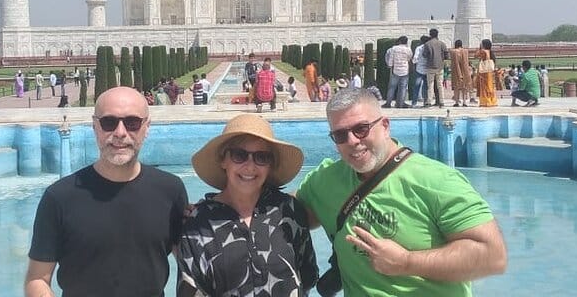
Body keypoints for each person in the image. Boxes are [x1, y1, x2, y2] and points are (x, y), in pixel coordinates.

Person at [296, 88, 507, 296]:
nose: (352, 140)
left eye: (361, 129)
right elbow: (285, 212)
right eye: (340, 135)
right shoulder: (325, 181)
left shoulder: (437, 181)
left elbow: (493, 256)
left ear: (385, 126)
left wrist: (407, 262)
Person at [25, 86, 188, 296]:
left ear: (146, 127)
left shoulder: (171, 191)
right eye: (109, 122)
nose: (120, 133)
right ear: (95, 126)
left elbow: (193, 266)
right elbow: (37, 278)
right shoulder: (59, 197)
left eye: (132, 123)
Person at [177, 114, 318, 296]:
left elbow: (307, 277)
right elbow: (190, 289)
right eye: (239, 155)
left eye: (262, 157)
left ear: (270, 165)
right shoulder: (198, 223)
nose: (250, 166)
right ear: (223, 160)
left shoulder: (289, 211)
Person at [383, 36, 413, 109]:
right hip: (404, 70)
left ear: (399, 41)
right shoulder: (408, 49)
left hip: (395, 70)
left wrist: (389, 65)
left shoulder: (394, 48)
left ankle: (388, 103)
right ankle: (400, 104)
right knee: (403, 88)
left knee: (392, 87)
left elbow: (391, 58)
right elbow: (409, 58)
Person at [423, 28, 449, 108]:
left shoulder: (427, 44)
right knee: (440, 85)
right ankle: (442, 102)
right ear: (437, 35)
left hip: (430, 67)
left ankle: (429, 102)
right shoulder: (442, 43)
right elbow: (446, 55)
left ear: (430, 35)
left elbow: (424, 55)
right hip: (440, 67)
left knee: (430, 85)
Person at [450, 39, 473, 107]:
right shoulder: (465, 51)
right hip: (465, 71)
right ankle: (464, 102)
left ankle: (456, 102)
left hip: (456, 71)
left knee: (456, 87)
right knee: (464, 86)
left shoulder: (453, 51)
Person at [475, 39, 498, 107]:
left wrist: (479, 48)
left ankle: (486, 101)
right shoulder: (490, 52)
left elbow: (475, 55)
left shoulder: (483, 51)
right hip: (490, 72)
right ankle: (492, 101)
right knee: (490, 87)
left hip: (484, 73)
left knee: (485, 87)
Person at [411, 35, 430, 108]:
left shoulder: (419, 48)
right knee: (426, 87)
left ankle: (414, 103)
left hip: (419, 69)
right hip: (427, 69)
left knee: (416, 86)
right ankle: (426, 102)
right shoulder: (429, 47)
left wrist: (414, 64)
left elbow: (415, 58)